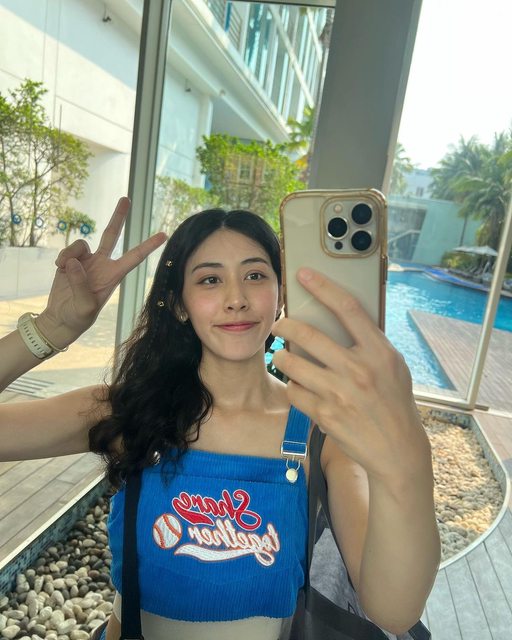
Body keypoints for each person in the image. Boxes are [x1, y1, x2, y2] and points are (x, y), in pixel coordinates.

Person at [0, 197, 440, 640]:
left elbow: (393, 610)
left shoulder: (320, 431)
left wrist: (408, 461)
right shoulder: (130, 411)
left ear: (281, 296)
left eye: (255, 275)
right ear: (179, 304)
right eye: (210, 279)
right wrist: (51, 329)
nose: (236, 299)